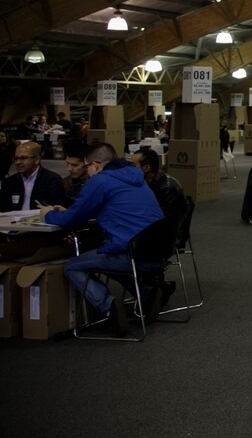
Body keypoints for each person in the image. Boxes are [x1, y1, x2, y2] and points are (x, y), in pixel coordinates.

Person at [41, 143, 164, 337]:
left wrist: (47, 214)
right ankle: (146, 292)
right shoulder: (135, 177)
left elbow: (72, 219)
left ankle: (109, 307)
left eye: (86, 166)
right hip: (155, 251)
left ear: (96, 165)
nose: (86, 171)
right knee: (105, 257)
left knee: (73, 266)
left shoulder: (100, 181)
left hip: (129, 252)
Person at [129, 147, 187, 233]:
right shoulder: (144, 181)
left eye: (133, 166)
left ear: (146, 168)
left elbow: (156, 218)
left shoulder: (166, 188)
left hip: (165, 231)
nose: (128, 169)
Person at [0, 141, 68, 211]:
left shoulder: (52, 180)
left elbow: (57, 208)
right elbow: (3, 208)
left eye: (23, 158)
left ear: (37, 160)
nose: (18, 162)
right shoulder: (9, 182)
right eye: (16, 158)